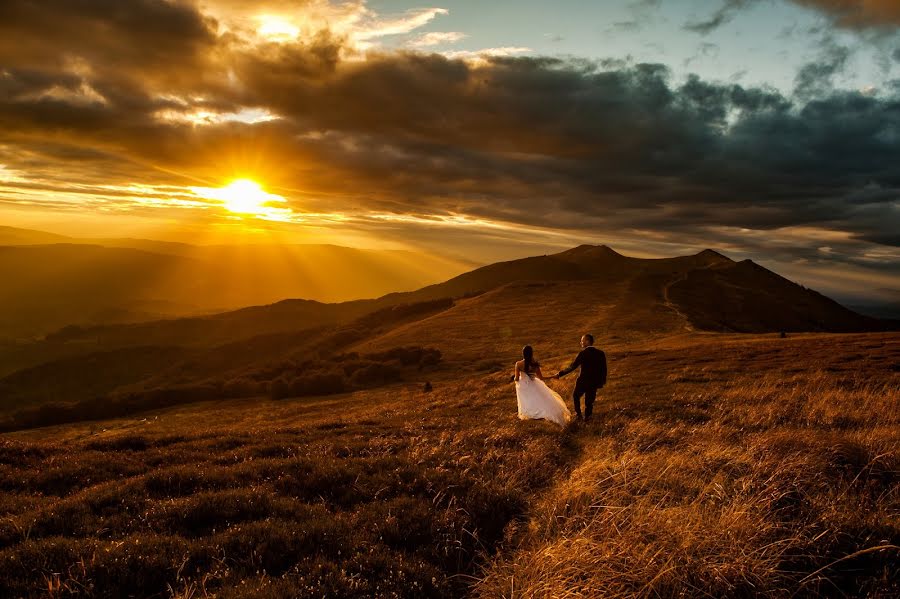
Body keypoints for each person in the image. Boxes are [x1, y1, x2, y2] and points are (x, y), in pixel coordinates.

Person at [514, 345, 571, 427]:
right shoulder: (535, 364)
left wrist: (517, 379)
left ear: (523, 353)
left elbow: (516, 378)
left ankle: (531, 415)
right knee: (541, 400)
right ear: (531, 353)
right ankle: (543, 415)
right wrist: (553, 376)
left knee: (528, 401)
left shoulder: (518, 364)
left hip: (523, 386)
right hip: (534, 384)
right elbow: (541, 378)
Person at [555, 333, 607, 422]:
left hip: (583, 381)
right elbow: (604, 369)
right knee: (589, 401)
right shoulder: (600, 353)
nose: (581, 342)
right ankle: (588, 418)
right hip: (594, 382)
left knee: (576, 396)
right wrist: (601, 382)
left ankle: (578, 415)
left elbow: (572, 366)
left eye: (582, 340)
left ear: (587, 341)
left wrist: (560, 374)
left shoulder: (583, 353)